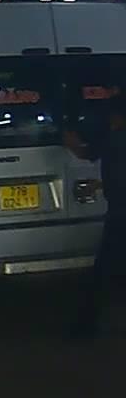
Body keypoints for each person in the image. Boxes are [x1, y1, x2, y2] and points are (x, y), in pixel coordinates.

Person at [63, 95, 126, 336]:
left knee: (102, 271)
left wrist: (70, 142)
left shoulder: (115, 138)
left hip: (120, 213)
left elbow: (86, 153)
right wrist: (99, 185)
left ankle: (85, 326)